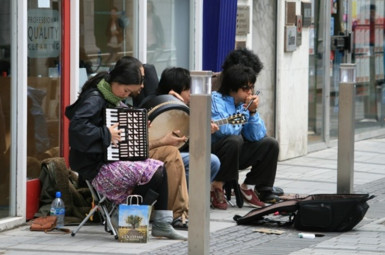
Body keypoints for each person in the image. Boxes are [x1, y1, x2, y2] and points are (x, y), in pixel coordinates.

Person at [64, 57, 186, 240]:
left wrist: (138, 126)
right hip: (96, 168)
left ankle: (160, 223)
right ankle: (128, 218)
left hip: (106, 161)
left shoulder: (109, 97)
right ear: (116, 81)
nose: (125, 94)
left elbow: (116, 128)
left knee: (158, 169)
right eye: (125, 90)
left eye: (130, 92)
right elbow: (77, 129)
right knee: (156, 170)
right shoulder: (95, 98)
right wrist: (105, 133)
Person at [114, 56, 189, 230]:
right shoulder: (117, 102)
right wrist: (161, 140)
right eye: (139, 78)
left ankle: (177, 213)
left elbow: (133, 142)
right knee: (171, 154)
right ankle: (175, 214)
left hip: (132, 151)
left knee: (179, 155)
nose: (142, 84)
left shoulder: (128, 102)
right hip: (121, 158)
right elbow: (128, 146)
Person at [211, 62, 280, 208]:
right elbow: (224, 129)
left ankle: (248, 187)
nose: (250, 92)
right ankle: (217, 186)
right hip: (217, 152)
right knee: (234, 140)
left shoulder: (245, 104)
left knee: (270, 144)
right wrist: (243, 113)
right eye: (245, 88)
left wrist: (252, 112)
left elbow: (257, 136)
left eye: (251, 87)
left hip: (236, 152)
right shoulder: (216, 100)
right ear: (232, 88)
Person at [156, 67, 222, 201]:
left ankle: (189, 201)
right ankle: (178, 201)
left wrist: (203, 133)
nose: (191, 94)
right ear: (174, 91)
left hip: (177, 153)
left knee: (212, 161)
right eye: (188, 90)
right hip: (159, 154)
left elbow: (189, 145)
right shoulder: (157, 105)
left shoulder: (188, 110)